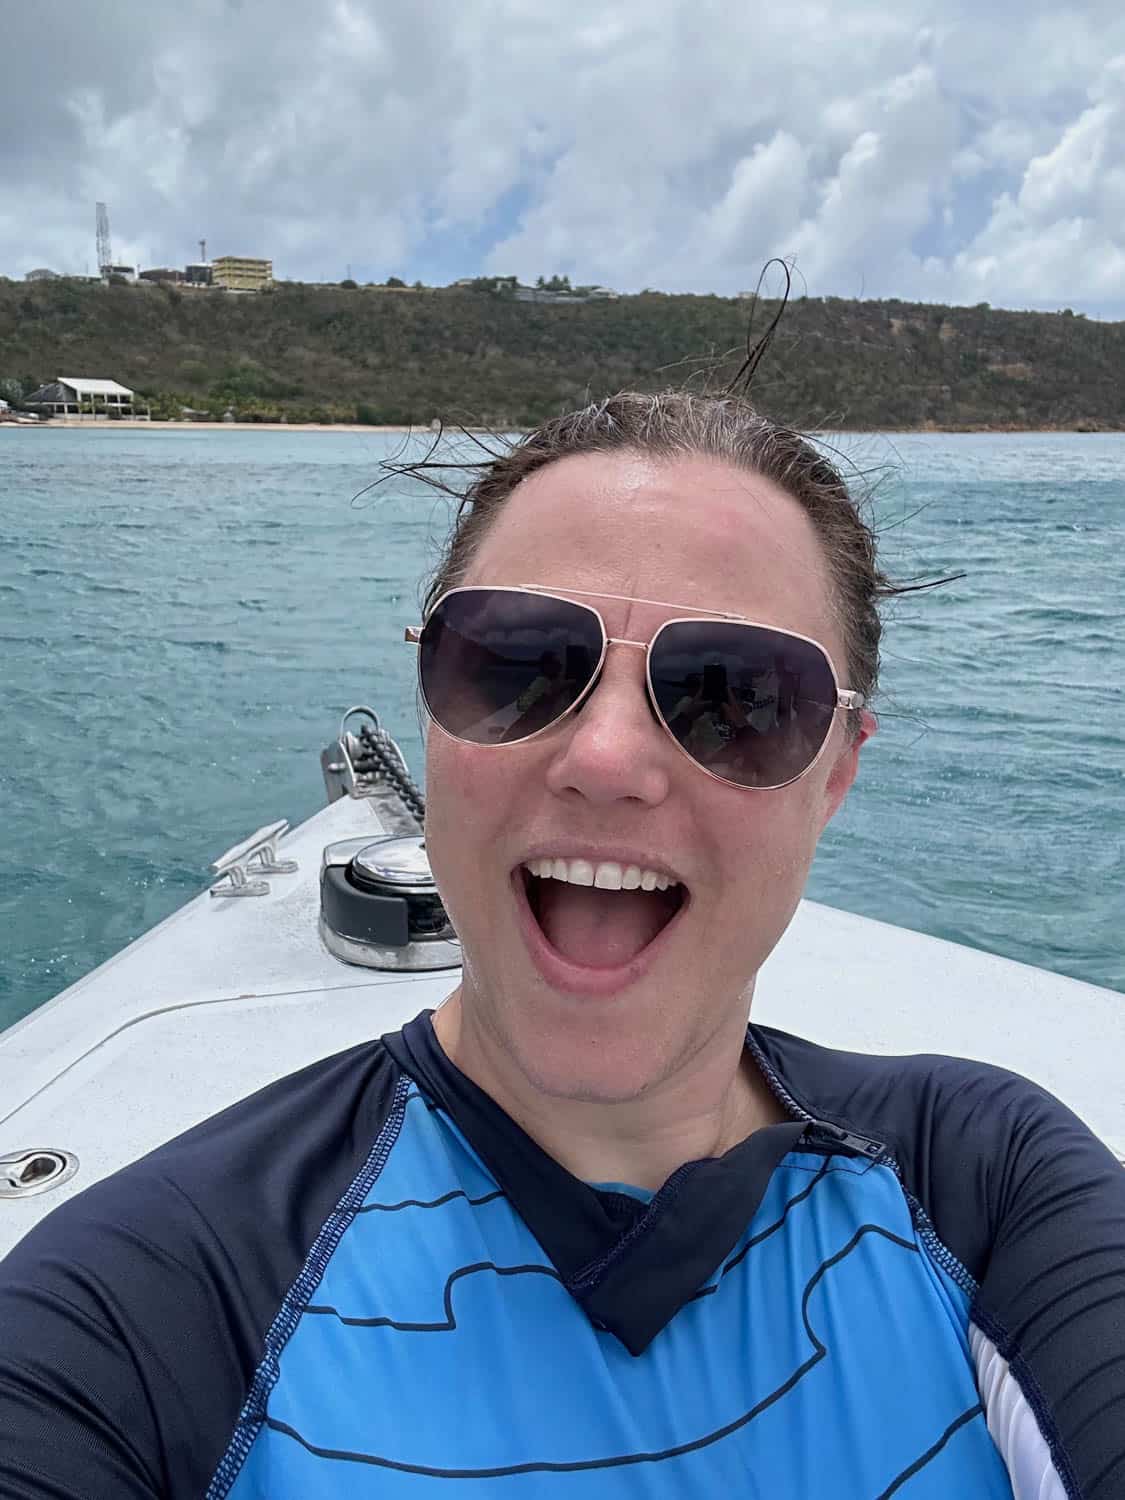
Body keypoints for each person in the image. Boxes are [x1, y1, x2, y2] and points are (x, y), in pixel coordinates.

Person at [1, 391, 1123, 1499]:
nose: (606, 759)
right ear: (430, 708)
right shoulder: (149, 1311)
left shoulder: (983, 1180)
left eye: (738, 697)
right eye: (516, 665)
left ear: (836, 772)